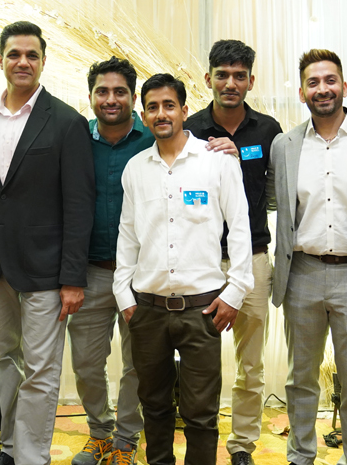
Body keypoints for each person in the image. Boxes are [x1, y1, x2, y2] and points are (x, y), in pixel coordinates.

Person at [113, 73, 253, 465]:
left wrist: (235, 291)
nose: (161, 114)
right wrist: (124, 296)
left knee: (201, 414)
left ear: (184, 111)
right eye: (153, 107)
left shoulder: (217, 162)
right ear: (144, 115)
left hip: (202, 310)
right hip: (148, 310)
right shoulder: (135, 169)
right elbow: (127, 236)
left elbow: (240, 228)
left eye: (169, 105)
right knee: (154, 408)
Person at [267, 49, 347, 465]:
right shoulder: (284, 145)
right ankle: (300, 456)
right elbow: (273, 201)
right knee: (300, 379)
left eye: (329, 80)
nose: (322, 89)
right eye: (313, 82)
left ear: (344, 86)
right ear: (302, 92)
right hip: (301, 274)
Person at [0, 20, 95, 465]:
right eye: (14, 54)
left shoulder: (66, 122)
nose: (22, 62)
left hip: (47, 268)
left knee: (41, 369)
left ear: (43, 62)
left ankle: (30, 457)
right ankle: (9, 447)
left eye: (31, 55)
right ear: (0, 60)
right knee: (6, 358)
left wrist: (73, 278)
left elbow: (79, 205)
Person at [183, 40, 282, 465]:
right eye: (222, 75)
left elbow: (274, 193)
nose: (230, 83)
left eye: (239, 76)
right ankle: (199, 441)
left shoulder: (268, 130)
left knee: (251, 364)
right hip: (200, 260)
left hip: (253, 258)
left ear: (251, 81)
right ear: (208, 78)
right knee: (197, 362)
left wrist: (237, 160)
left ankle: (242, 445)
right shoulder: (190, 127)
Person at [68, 57, 152, 465]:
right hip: (90, 272)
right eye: (102, 91)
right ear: (90, 97)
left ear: (133, 97)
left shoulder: (153, 137)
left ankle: (126, 440)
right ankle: (99, 432)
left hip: (142, 275)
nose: (111, 99)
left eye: (120, 91)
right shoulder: (74, 139)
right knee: (86, 363)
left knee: (138, 364)